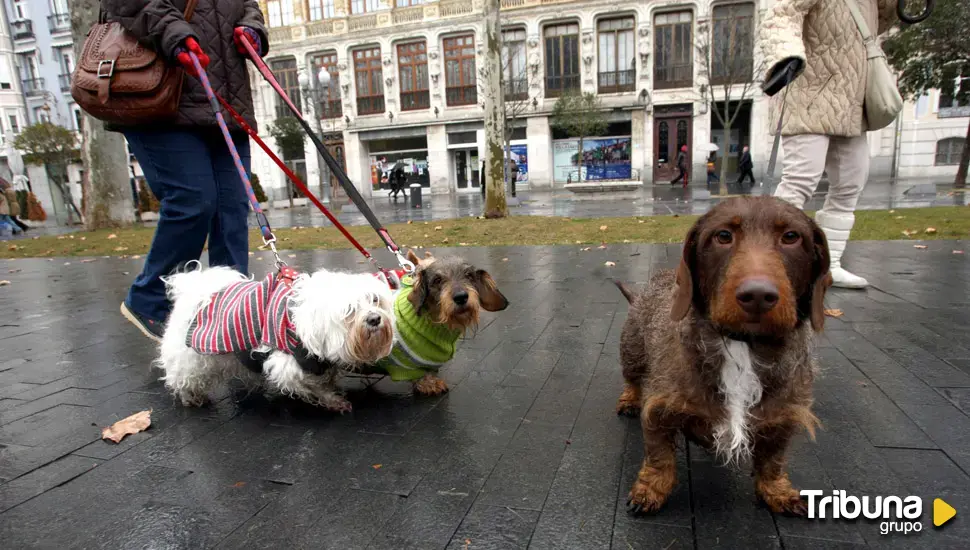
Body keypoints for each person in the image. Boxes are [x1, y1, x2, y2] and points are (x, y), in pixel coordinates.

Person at [100, 0, 270, 340]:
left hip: (226, 96)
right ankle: (149, 299)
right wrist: (172, 31)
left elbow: (248, 5)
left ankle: (231, 314)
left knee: (232, 210)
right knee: (194, 200)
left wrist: (253, 29)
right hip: (160, 94)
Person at [760, 0, 896, 288]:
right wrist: (785, 54)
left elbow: (877, 24)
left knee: (851, 182)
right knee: (800, 180)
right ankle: (767, 262)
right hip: (809, 91)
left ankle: (829, 264)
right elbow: (781, 13)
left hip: (850, 99)